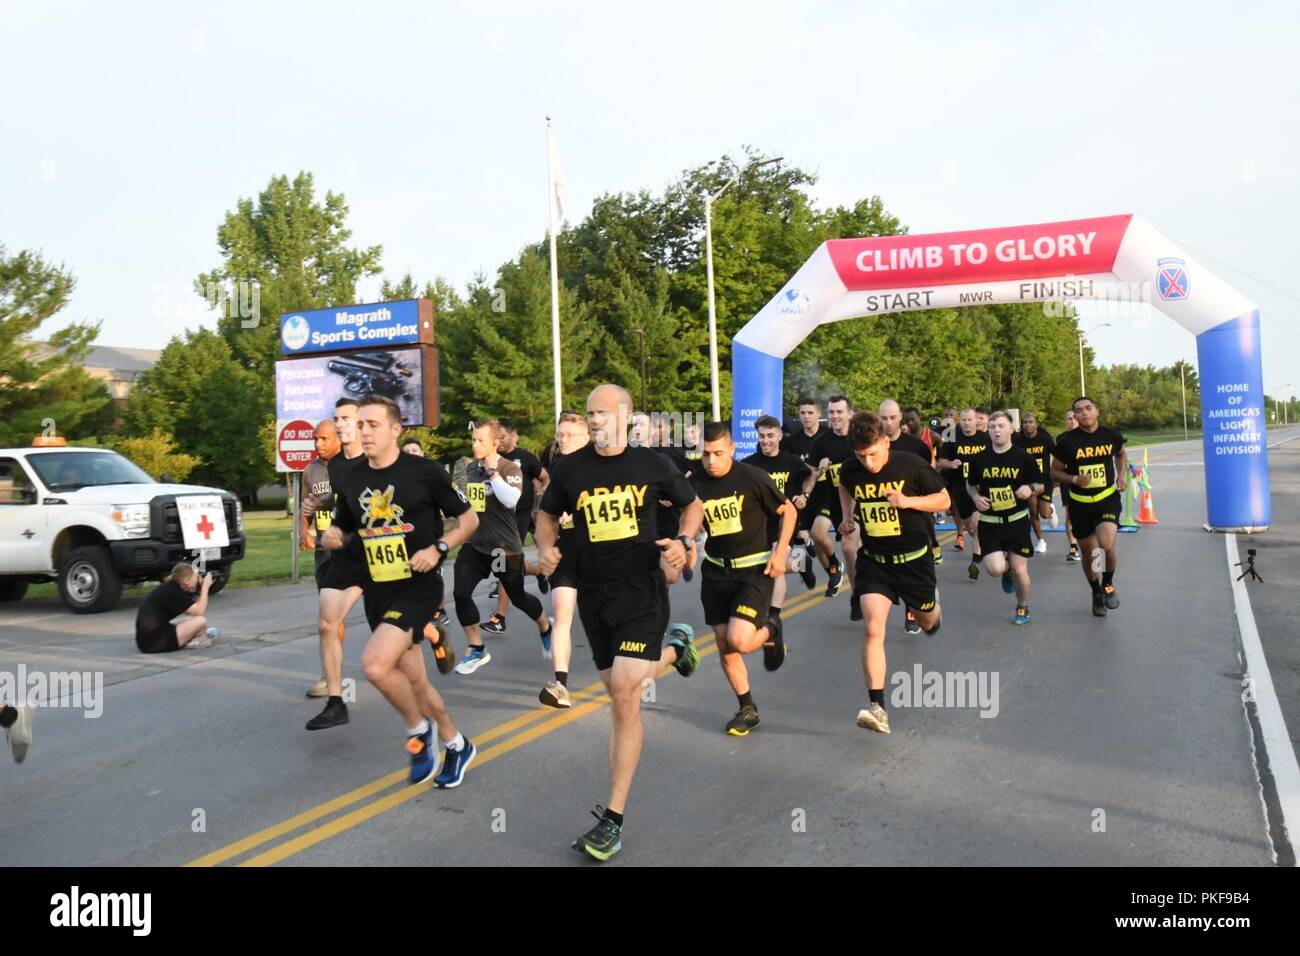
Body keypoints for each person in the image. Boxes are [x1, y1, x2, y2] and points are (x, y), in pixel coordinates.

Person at [536, 384, 704, 861]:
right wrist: (546, 548)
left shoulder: (652, 464)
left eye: (603, 413)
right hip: (595, 596)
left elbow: (692, 506)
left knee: (627, 693)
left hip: (641, 591)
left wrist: (684, 542)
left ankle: (613, 818)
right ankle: (676, 651)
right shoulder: (570, 468)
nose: (594, 420)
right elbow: (547, 518)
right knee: (619, 691)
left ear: (626, 417)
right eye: (590, 413)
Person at [323, 394, 480, 787]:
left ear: (395, 429)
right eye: (360, 425)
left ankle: (418, 731)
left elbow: (469, 520)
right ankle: (456, 743)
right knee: (415, 683)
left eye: (372, 425)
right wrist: (334, 535)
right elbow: (344, 525)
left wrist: (439, 547)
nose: (364, 432)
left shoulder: (424, 472)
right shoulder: (352, 478)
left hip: (418, 587)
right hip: (378, 589)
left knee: (375, 665)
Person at [837, 412, 948, 735]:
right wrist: (847, 516)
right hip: (876, 562)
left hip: (914, 561)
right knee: (873, 629)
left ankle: (931, 607)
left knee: (927, 621)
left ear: (886, 441)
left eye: (873, 454)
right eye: (861, 456)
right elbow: (845, 485)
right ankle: (877, 707)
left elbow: (943, 500)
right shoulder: (851, 469)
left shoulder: (911, 465)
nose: (868, 463)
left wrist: (908, 501)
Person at [696, 421, 797, 735]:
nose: (711, 461)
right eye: (705, 454)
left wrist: (780, 552)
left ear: (732, 449)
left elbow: (789, 511)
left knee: (739, 639)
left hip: (753, 569)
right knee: (724, 643)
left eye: (718, 453)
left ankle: (772, 627)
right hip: (715, 570)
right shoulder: (694, 481)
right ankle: (747, 707)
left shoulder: (752, 477)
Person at [451, 420, 552, 672]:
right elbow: (472, 505)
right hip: (476, 545)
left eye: (480, 441)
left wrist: (493, 473)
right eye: (473, 440)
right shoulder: (471, 468)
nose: (475, 445)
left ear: (495, 443)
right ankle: (476, 648)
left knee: (518, 597)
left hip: (503, 548)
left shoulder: (509, 468)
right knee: (460, 593)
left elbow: (510, 499)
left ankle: (545, 627)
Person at [302, 399, 367, 730]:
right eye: (336, 419)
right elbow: (335, 505)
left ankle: (432, 633)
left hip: (378, 553)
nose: (340, 424)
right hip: (342, 554)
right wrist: (320, 523)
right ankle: (335, 700)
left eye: (346, 419)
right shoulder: (332, 467)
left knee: (397, 629)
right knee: (327, 624)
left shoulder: (377, 461)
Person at [1052, 397, 1127, 617]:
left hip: (1106, 499)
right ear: (1074, 416)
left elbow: (1121, 453)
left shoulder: (1110, 435)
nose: (1084, 413)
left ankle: (1108, 584)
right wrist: (1074, 479)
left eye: (1088, 408)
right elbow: (1054, 472)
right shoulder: (1067, 441)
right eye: (1079, 410)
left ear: (1096, 411)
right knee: (1090, 553)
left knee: (1107, 546)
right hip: (1080, 503)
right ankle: (1096, 592)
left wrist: (1121, 475)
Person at [968, 411, 1044, 625]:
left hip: (1017, 521)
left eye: (1001, 426)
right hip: (990, 523)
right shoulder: (979, 459)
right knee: (994, 569)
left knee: (1021, 569)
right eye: (992, 427)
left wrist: (1030, 489)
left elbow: (1040, 484)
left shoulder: (1023, 457)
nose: (996, 430)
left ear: (1012, 429)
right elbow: (971, 485)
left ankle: (1022, 606)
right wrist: (976, 498)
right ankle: (1006, 570)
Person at [537, 411, 591, 708]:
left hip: (598, 552)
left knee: (606, 616)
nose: (563, 439)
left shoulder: (600, 466)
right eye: (560, 434)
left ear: (586, 437)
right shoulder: (558, 470)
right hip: (566, 549)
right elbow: (546, 513)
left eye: (570, 435)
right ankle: (560, 684)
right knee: (562, 611)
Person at [742, 415, 815, 595]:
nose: (765, 440)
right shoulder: (749, 465)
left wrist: (804, 495)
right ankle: (800, 562)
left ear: (780, 436)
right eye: (762, 436)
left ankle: (774, 610)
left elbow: (810, 475)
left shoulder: (791, 461)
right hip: (760, 524)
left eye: (770, 435)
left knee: (776, 561)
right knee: (764, 565)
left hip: (786, 521)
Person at [805, 395, 857, 599]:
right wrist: (819, 471)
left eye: (839, 412)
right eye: (831, 412)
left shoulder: (858, 438)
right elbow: (809, 474)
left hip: (857, 498)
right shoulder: (821, 442)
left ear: (850, 414)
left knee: (851, 548)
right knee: (817, 534)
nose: (835, 416)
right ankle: (835, 566)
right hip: (830, 497)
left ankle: (858, 592)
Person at [936, 408, 991, 575]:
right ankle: (986, 545)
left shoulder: (985, 438)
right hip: (960, 486)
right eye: (964, 420)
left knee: (977, 523)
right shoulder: (952, 438)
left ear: (976, 421)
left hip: (980, 487)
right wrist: (951, 464)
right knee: (970, 527)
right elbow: (941, 461)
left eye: (970, 420)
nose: (967, 423)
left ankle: (976, 558)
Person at [135, 563, 219, 653]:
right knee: (201, 621)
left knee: (196, 622)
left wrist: (199, 589)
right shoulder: (174, 592)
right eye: (195, 576)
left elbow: (193, 610)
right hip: (155, 642)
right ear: (186, 580)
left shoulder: (170, 587)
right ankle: (194, 641)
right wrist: (205, 587)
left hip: (146, 640)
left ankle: (195, 637)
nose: (198, 578)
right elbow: (199, 611)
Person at [1013, 412, 1057, 553]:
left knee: (1044, 513)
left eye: (1031, 422)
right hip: (1028, 482)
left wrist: (1056, 473)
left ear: (1036, 424)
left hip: (1045, 481)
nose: (1028, 425)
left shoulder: (1045, 440)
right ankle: (1041, 540)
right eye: (1025, 423)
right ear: (1022, 425)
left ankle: (1051, 511)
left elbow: (1058, 456)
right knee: (1032, 510)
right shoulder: (1018, 442)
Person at [1059, 408, 1081, 561]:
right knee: (1070, 515)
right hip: (1068, 480)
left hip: (1085, 481)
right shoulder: (1061, 439)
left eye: (1074, 417)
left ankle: (1092, 547)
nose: (1072, 421)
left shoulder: (1087, 436)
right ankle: (1073, 549)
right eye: (1069, 418)